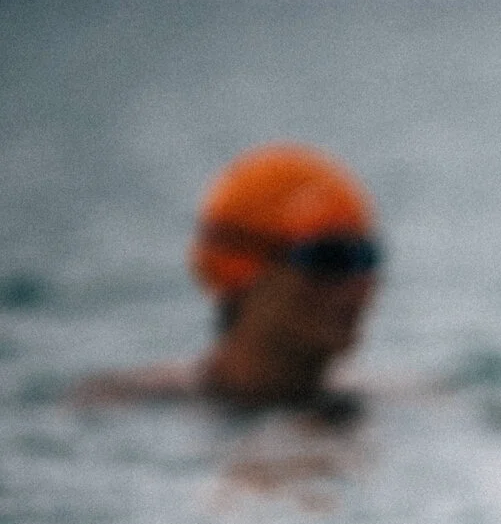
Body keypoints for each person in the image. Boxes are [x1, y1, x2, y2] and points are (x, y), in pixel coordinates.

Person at [74, 143, 382, 422]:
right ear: (242, 271)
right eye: (328, 259)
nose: (356, 283)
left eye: (367, 257)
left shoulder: (391, 401)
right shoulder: (120, 406)